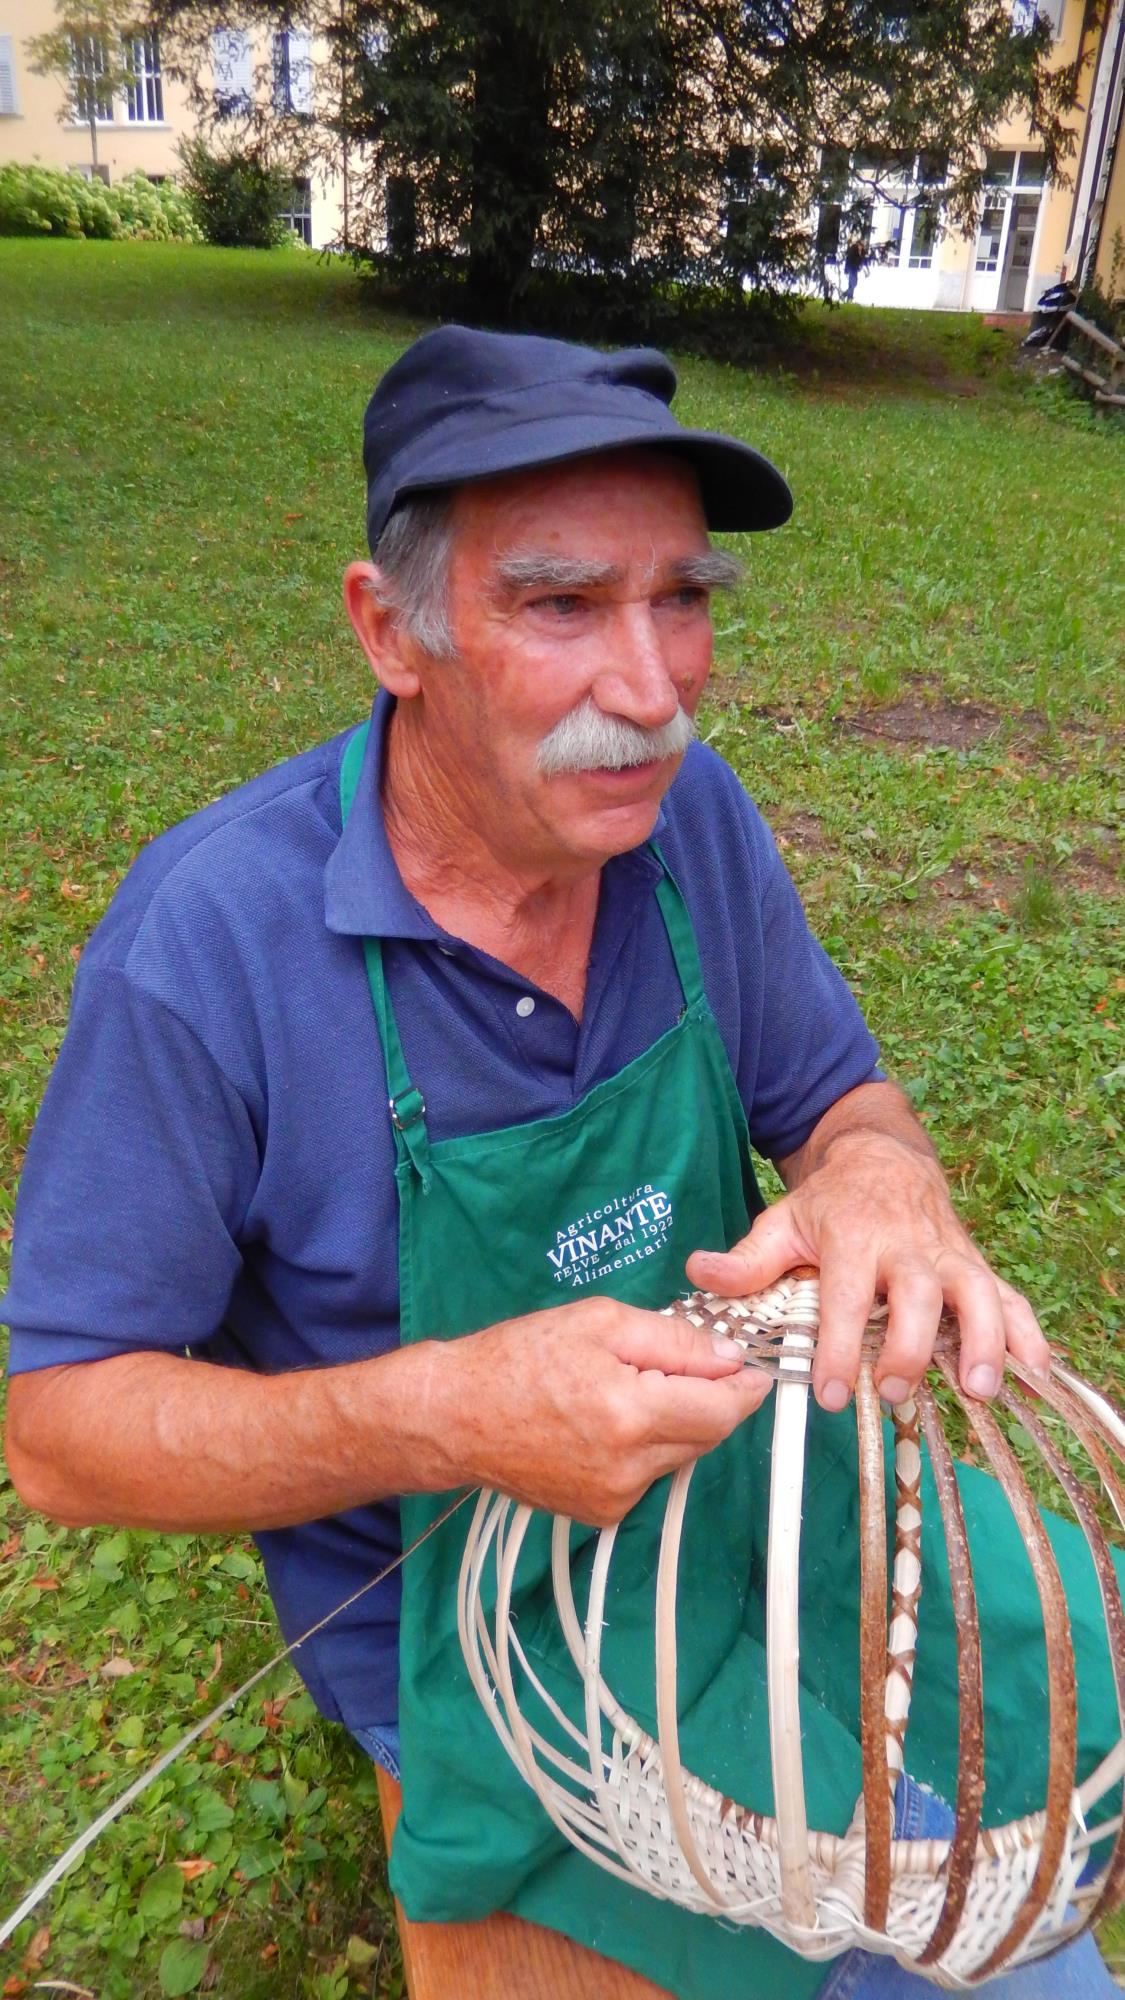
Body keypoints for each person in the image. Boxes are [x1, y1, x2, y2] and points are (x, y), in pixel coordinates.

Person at [2, 328, 1115, 1998]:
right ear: (392, 632)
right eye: (562, 604)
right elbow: (59, 1437)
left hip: (748, 1513)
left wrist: (881, 1173)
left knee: (1020, 1851)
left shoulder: (686, 821)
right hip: (466, 1643)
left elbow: (837, 1094)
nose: (654, 691)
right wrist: (445, 1416)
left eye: (683, 598)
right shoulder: (207, 949)